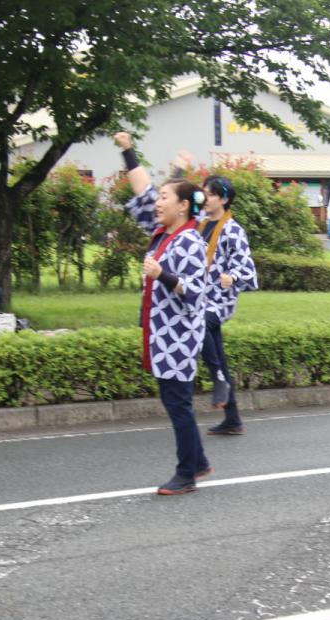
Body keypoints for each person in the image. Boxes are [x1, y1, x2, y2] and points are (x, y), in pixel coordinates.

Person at [115, 133, 212, 495]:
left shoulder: (188, 240)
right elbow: (142, 191)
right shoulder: (162, 233)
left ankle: (187, 472)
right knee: (175, 402)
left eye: (165, 198)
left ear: (184, 206)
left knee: (178, 404)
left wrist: (163, 276)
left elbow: (196, 292)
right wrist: (127, 150)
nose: (157, 202)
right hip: (162, 335)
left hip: (178, 338)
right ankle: (197, 462)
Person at [198, 173, 258, 436]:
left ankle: (218, 380)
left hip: (219, 301)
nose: (205, 198)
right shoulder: (200, 224)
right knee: (218, 355)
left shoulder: (233, 229)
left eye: (209, 194)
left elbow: (248, 269)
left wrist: (231, 277)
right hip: (199, 297)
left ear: (223, 199)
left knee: (198, 324)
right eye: (204, 194)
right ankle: (233, 419)